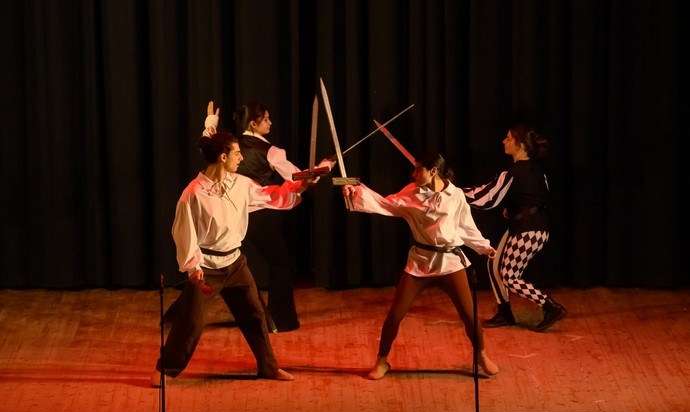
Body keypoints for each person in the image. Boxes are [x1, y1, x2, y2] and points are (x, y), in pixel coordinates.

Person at [151, 126, 317, 387]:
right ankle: (166, 369)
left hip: (236, 264)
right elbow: (183, 232)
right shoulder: (193, 194)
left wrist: (301, 185)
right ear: (222, 157)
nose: (241, 158)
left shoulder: (240, 183)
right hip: (207, 267)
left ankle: (268, 367)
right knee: (192, 322)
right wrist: (193, 266)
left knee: (255, 314)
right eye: (237, 153)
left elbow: (271, 196)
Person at [342, 151, 500, 380]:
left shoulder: (455, 195)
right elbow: (384, 204)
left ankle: (481, 355)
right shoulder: (411, 193)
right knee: (395, 314)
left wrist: (484, 247)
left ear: (433, 171)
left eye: (418, 169)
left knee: (469, 315)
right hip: (420, 263)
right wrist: (355, 190)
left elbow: (466, 227)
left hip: (450, 263)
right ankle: (382, 360)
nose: (413, 173)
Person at [203, 101, 332, 332]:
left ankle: (181, 317)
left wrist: (210, 123)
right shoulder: (270, 151)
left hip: (230, 213)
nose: (270, 122)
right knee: (281, 263)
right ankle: (279, 320)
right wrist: (323, 168)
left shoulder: (231, 144)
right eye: (265, 119)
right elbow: (297, 176)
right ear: (253, 124)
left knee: (222, 262)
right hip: (257, 214)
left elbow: (209, 143)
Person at [463, 122, 567, 332]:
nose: (504, 141)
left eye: (508, 138)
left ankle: (550, 306)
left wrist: (454, 193)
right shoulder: (539, 172)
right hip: (529, 226)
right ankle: (505, 313)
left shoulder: (512, 174)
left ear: (520, 145)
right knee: (494, 264)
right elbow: (538, 198)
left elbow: (486, 198)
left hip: (529, 230)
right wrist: (513, 210)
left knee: (509, 276)